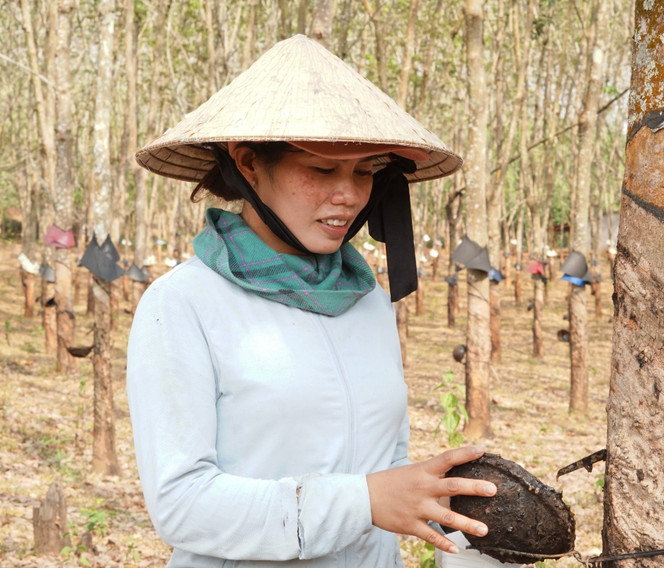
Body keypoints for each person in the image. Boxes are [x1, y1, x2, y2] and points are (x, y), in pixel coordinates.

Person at [127, 34, 497, 567]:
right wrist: (362, 501)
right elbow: (182, 507)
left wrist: (461, 520)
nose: (348, 194)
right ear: (250, 163)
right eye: (321, 170)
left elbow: (384, 465)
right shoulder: (182, 305)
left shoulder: (367, 299)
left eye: (365, 171)